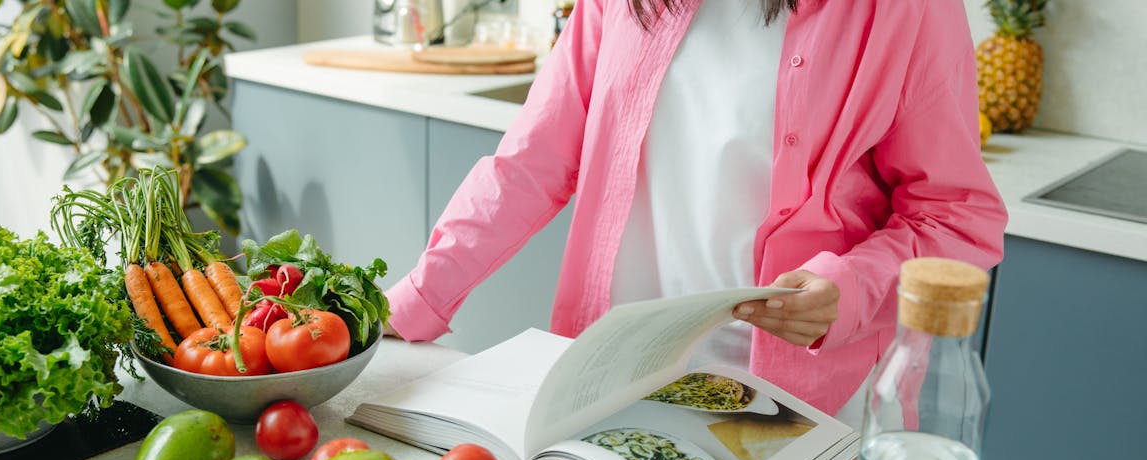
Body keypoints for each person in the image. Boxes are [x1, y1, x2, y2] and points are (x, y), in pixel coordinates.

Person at [384, 0, 1007, 423]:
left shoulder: (905, 10)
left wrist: (848, 291)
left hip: (795, 406)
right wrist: (412, 300)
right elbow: (533, 160)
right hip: (615, 375)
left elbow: (956, 216)